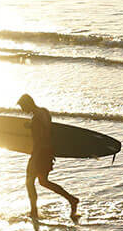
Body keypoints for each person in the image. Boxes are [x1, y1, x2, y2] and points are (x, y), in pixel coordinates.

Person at [17, 93, 79, 221]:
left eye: (22, 106)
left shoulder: (36, 119)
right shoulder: (44, 112)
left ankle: (34, 212)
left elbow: (40, 139)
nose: (22, 110)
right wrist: (31, 126)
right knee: (43, 182)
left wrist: (34, 157)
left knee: (30, 182)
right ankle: (72, 200)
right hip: (48, 152)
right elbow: (47, 130)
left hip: (40, 153)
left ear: (28, 103)